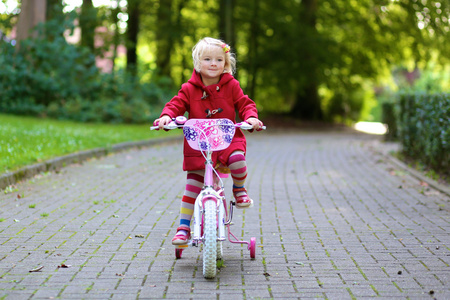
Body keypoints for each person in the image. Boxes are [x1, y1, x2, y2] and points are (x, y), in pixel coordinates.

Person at [153, 37, 263, 245]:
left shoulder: (231, 85)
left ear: (226, 64)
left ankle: (239, 189)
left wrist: (251, 117)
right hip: (199, 145)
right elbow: (176, 105)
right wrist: (167, 116)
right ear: (197, 63)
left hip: (227, 140)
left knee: (238, 162)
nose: (214, 64)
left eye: (219, 60)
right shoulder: (189, 88)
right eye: (207, 59)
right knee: (192, 188)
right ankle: (183, 229)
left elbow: (244, 103)